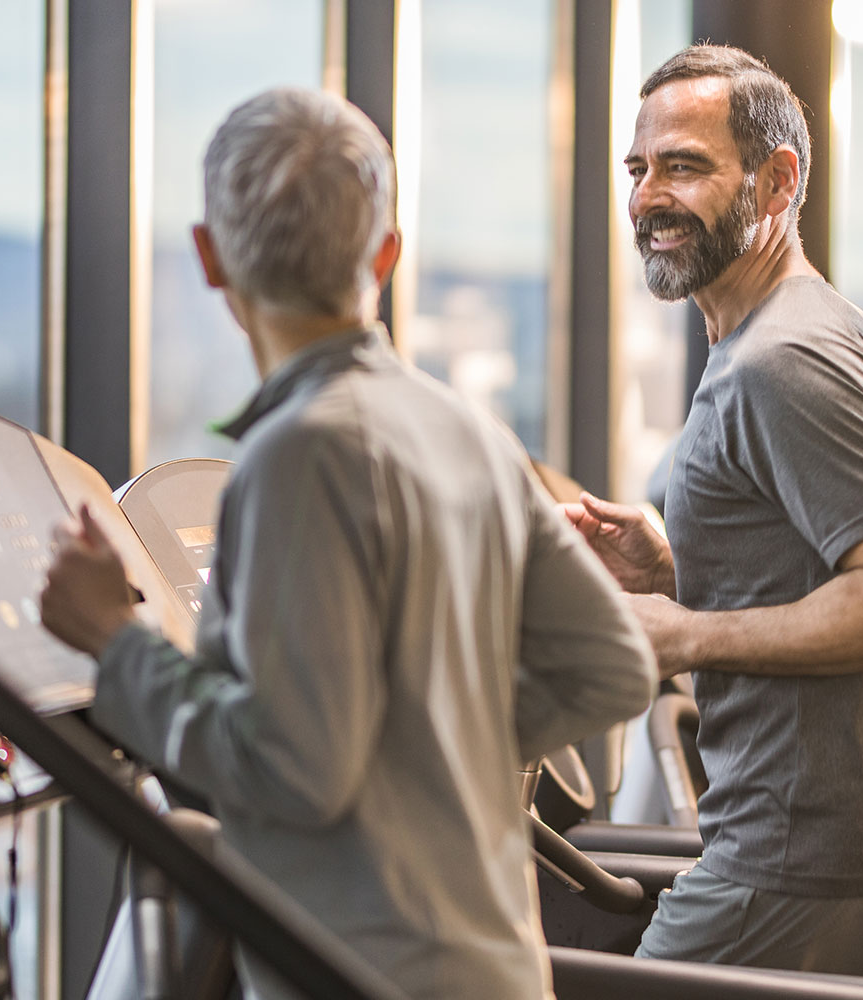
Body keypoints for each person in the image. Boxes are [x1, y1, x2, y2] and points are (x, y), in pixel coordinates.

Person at [37, 87, 657, 1000]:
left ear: (210, 257)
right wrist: (437, 742)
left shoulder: (298, 455)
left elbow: (295, 769)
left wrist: (117, 645)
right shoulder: (469, 432)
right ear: (388, 253)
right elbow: (615, 667)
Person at [564, 45, 863, 981]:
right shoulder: (805, 326)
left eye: (686, 167)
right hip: (841, 849)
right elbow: (832, 561)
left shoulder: (779, 362)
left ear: (778, 181)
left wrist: (689, 633)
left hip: (801, 860)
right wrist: (676, 567)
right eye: (639, 169)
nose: (650, 198)